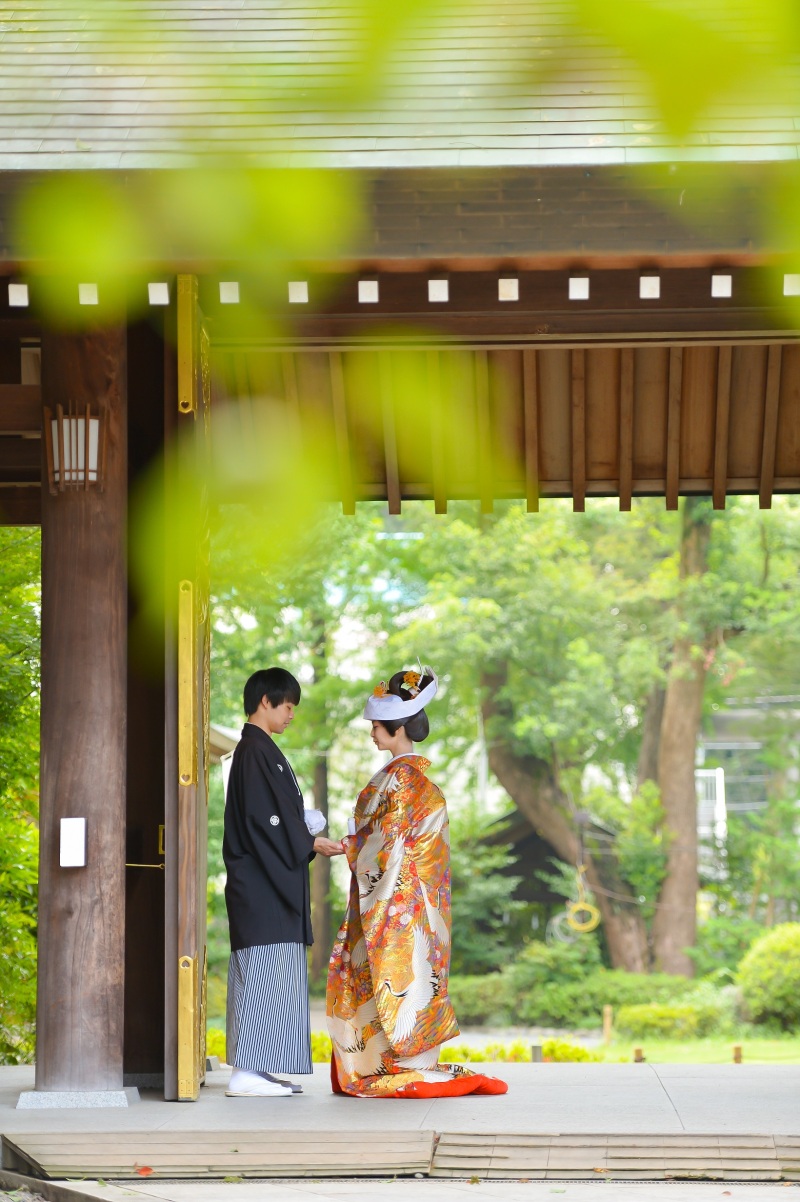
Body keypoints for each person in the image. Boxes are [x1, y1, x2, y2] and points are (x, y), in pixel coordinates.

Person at [326, 666, 507, 1098]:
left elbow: (386, 842)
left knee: (401, 972)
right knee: (407, 973)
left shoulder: (404, 780)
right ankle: (405, 1059)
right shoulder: (407, 778)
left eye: (377, 725)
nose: (372, 731)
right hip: (410, 899)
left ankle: (402, 1060)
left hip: (400, 900)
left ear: (398, 727)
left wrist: (349, 847)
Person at [223, 667, 344, 1097]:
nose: (291, 714)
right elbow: (264, 823)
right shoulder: (254, 752)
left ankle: (259, 1067)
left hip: (265, 882)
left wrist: (302, 832)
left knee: (271, 972)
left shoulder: (262, 751)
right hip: (261, 885)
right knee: (262, 972)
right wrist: (306, 838)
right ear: (265, 702)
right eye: (288, 706)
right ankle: (246, 1073)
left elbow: (275, 820)